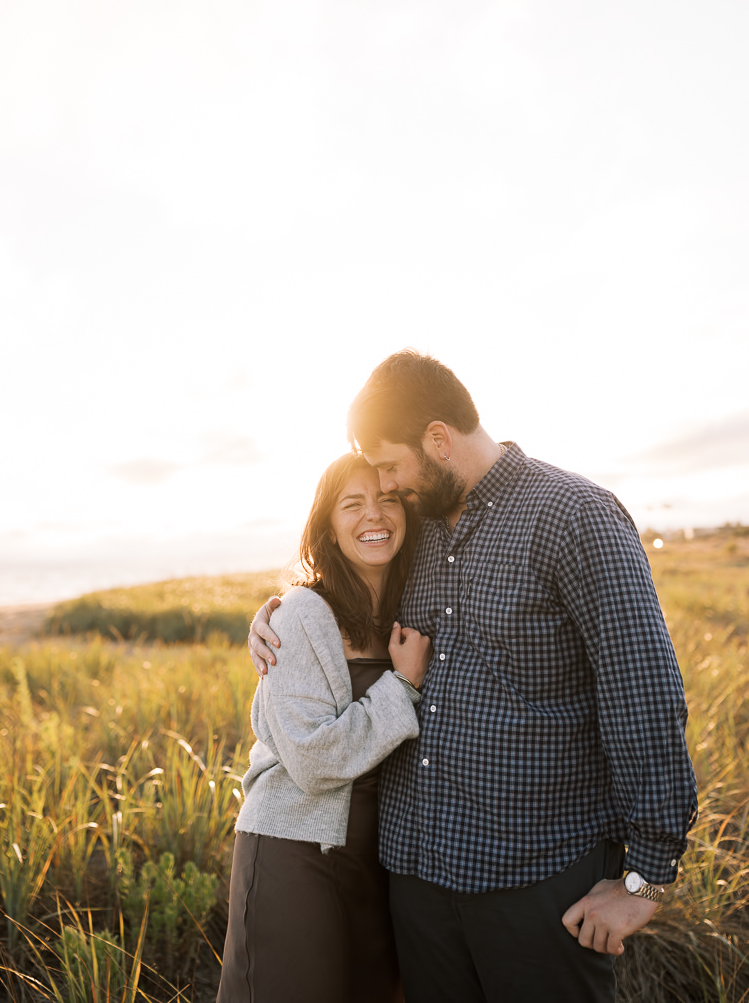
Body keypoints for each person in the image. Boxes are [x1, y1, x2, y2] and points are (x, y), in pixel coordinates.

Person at [250, 350, 698, 1003]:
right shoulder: (414, 529)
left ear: (438, 440)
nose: (387, 486)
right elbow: (345, 584)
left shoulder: (576, 516)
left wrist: (647, 879)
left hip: (536, 881)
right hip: (415, 881)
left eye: (391, 466)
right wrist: (275, 618)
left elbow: (644, 696)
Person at [217, 450, 432, 1003]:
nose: (374, 516)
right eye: (352, 504)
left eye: (387, 499)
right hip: (294, 846)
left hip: (378, 854)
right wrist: (401, 687)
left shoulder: (416, 604)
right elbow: (314, 762)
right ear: (329, 528)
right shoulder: (304, 614)